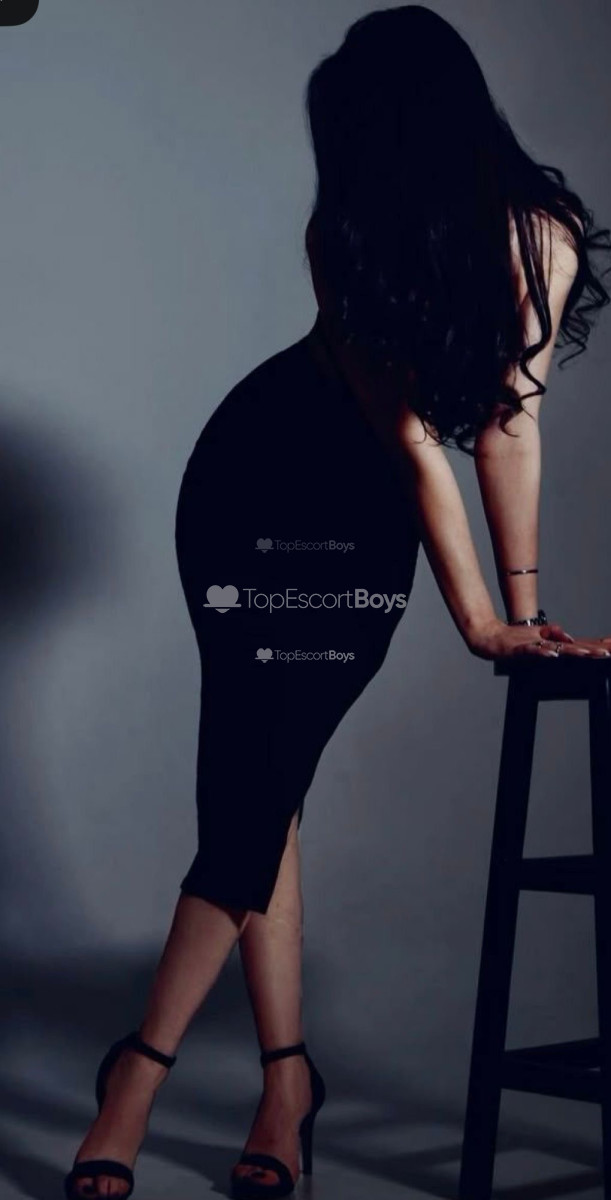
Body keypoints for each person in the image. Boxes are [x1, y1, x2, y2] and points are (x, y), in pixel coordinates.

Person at [63, 6, 611, 1199]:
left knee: (260, 785)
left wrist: (521, 608)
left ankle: (175, 1080)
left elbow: (508, 425)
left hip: (357, 520)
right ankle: (232, 1087)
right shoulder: (348, 232)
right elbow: (411, 437)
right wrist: (477, 623)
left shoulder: (541, 237)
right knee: (260, 786)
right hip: (254, 478)